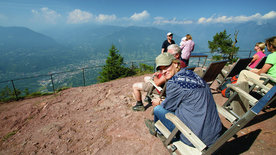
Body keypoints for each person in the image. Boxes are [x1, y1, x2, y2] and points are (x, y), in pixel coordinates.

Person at [145, 53, 222, 147]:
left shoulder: (173, 83)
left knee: (157, 109)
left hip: (196, 138)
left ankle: (157, 129)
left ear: (176, 64)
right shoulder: (192, 74)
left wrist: (159, 102)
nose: (163, 71)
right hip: (214, 132)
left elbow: (167, 107)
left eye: (166, 67)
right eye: (161, 69)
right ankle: (156, 127)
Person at [230, 36, 276, 116]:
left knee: (244, 72)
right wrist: (257, 70)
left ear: (271, 46)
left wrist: (256, 72)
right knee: (250, 72)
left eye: (267, 44)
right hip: (273, 83)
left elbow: (262, 72)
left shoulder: (272, 56)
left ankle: (239, 101)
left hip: (269, 83)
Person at [132, 44, 184, 111]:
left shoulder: (170, 72)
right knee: (146, 78)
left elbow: (157, 83)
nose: (166, 55)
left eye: (169, 54)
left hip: (160, 89)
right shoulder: (182, 64)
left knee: (135, 86)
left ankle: (139, 105)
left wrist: (155, 76)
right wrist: (159, 73)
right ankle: (148, 97)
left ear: (177, 55)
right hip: (164, 85)